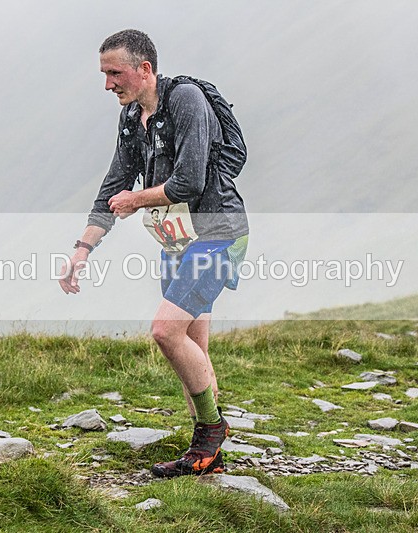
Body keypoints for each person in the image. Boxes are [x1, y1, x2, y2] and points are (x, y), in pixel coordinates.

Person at [59, 29, 249, 478]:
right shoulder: (130, 117)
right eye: (104, 74)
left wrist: (136, 200)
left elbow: (190, 182)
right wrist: (83, 249)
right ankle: (208, 458)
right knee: (192, 349)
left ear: (145, 69)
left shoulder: (186, 102)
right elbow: (113, 184)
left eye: (115, 73)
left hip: (217, 232)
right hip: (176, 240)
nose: (108, 84)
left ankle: (210, 432)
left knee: (165, 331)